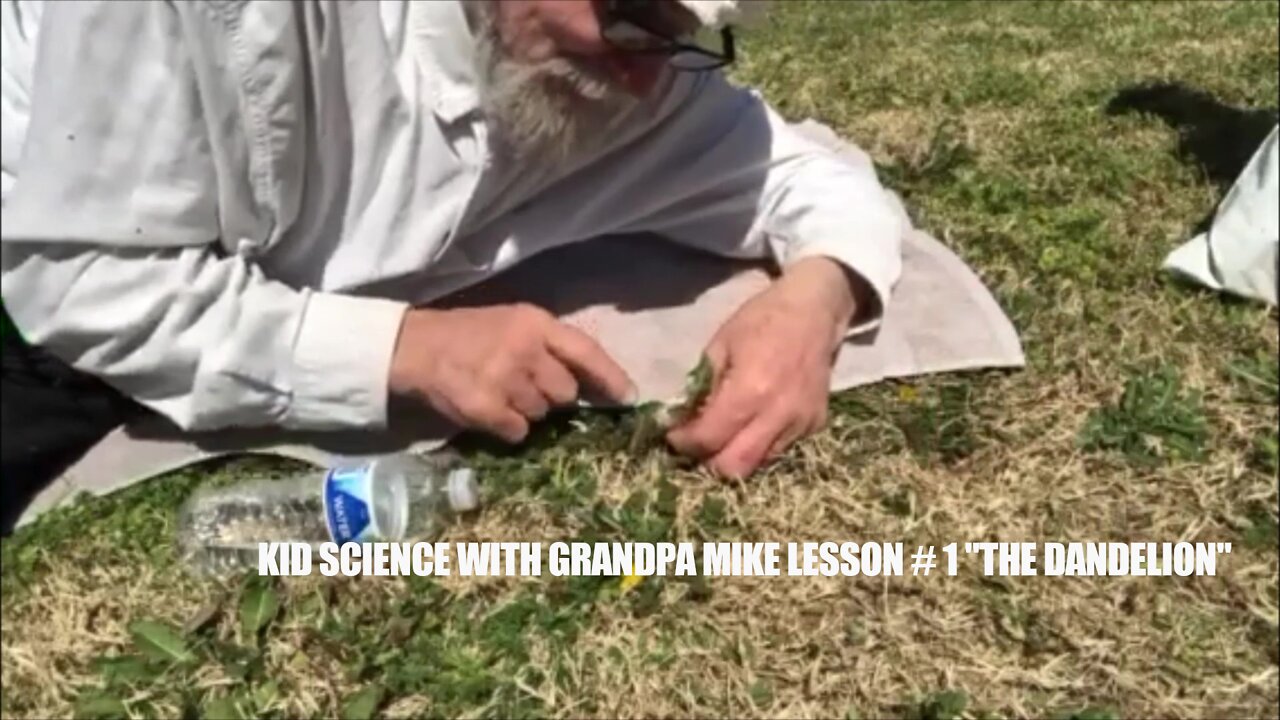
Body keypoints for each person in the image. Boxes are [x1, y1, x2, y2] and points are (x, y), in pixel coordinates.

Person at [0, 0, 905, 518]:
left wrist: (816, 301)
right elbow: (87, 280)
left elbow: (806, 175)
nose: (641, 74)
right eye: (626, 14)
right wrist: (405, 350)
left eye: (678, 33)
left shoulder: (634, 68)